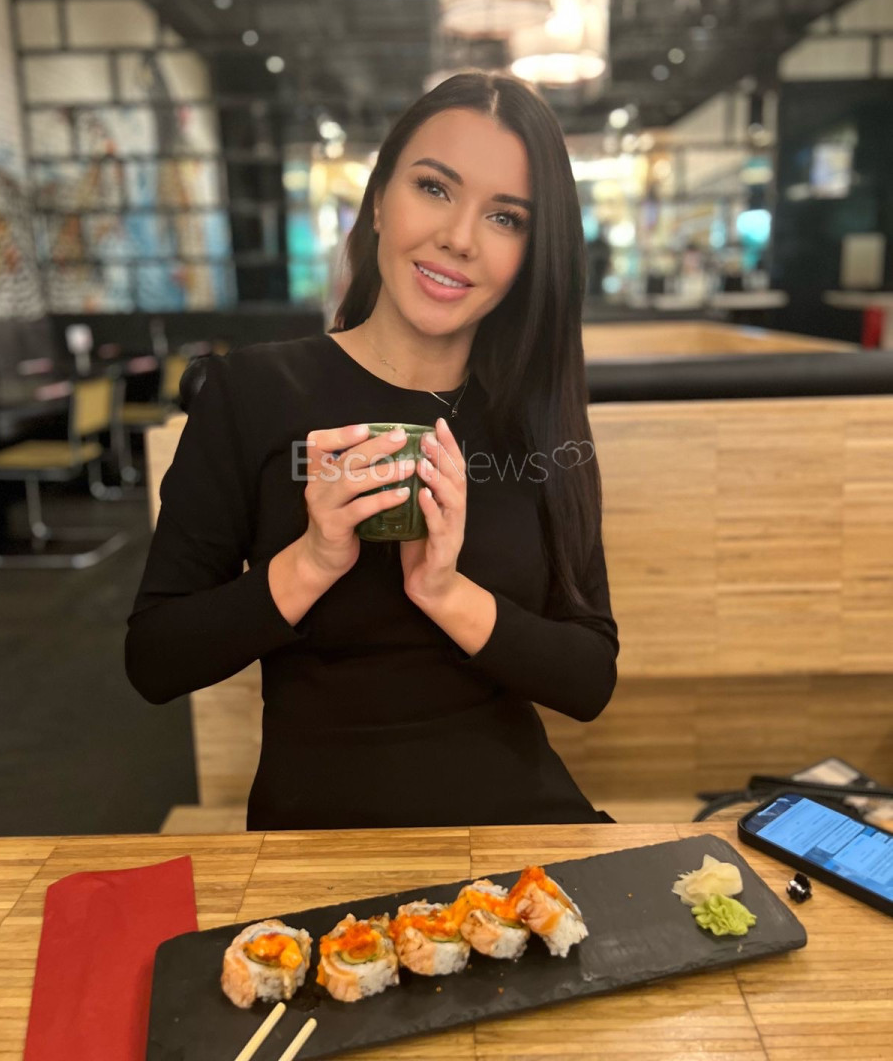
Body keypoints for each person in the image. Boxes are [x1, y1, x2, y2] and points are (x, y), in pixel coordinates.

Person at [125, 72, 619, 831]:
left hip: (516, 829)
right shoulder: (251, 392)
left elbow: (589, 680)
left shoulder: (535, 418)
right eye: (434, 187)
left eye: (506, 217)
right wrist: (311, 561)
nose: (460, 237)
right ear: (380, 199)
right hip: (318, 835)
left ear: (531, 252)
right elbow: (156, 660)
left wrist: (444, 592)